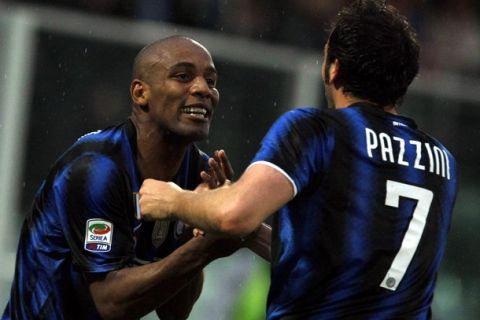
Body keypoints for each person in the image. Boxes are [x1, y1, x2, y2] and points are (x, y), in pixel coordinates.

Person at [138, 1, 458, 319]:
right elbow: (344, 264)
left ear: (334, 68)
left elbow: (234, 215)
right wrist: (244, 228)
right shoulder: (442, 162)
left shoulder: (318, 132)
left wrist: (174, 200)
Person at [2, 35, 270, 320]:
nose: (204, 89)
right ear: (141, 94)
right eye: (183, 76)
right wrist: (205, 249)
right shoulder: (97, 170)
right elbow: (110, 304)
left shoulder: (199, 173)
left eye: (212, 81)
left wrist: (201, 231)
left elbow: (173, 311)